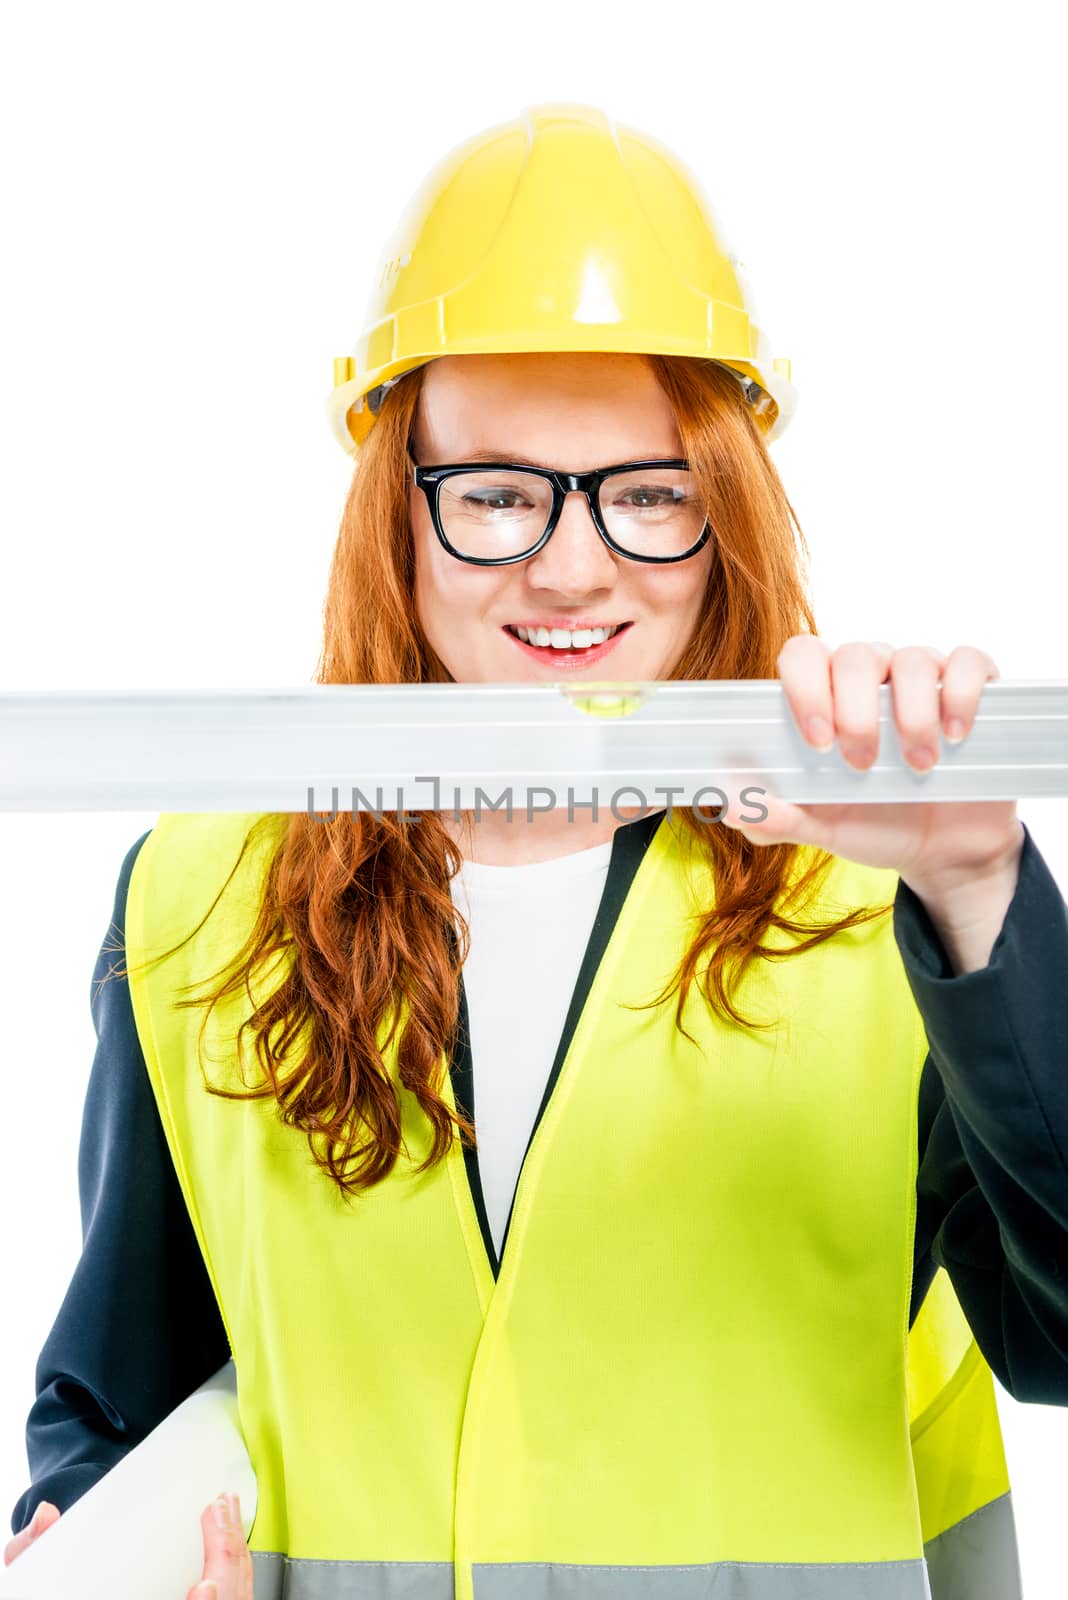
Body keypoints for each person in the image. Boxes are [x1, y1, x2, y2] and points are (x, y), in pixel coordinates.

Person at [8, 102, 1068, 1600]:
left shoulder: (887, 894)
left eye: (648, 498)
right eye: (498, 494)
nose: (573, 567)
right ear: (399, 510)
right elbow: (119, 1397)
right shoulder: (197, 896)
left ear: (730, 508)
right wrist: (90, 1540)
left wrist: (982, 893)